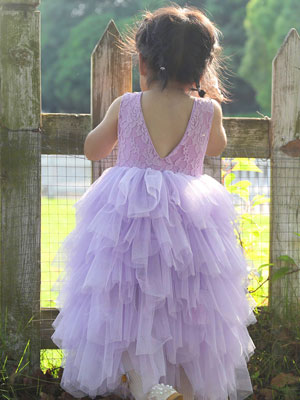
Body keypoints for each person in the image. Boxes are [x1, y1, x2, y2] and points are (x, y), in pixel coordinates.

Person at [51, 4, 257, 400]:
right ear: (202, 66)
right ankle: (181, 390)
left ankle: (146, 388)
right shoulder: (206, 110)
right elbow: (215, 147)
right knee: (188, 310)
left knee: (126, 306)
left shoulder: (127, 105)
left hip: (127, 221)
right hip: (189, 222)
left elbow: (93, 150)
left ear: (142, 61)